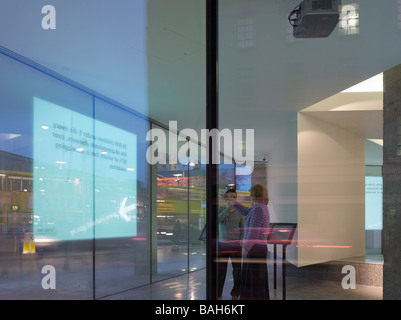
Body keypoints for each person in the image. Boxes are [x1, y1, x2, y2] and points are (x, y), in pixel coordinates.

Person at [222, 184, 270, 300]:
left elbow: (254, 231)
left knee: (253, 279)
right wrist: (231, 200)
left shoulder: (259, 209)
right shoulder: (260, 207)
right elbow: (244, 211)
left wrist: (246, 248)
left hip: (255, 249)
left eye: (251, 194)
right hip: (258, 248)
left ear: (255, 194)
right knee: (256, 279)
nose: (250, 196)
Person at [217, 189, 245, 300]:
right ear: (226, 198)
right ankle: (218, 294)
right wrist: (228, 209)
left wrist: (242, 243)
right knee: (220, 272)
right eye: (230, 197)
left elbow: (243, 229)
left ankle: (235, 294)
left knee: (238, 272)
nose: (233, 199)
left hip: (236, 246)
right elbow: (217, 220)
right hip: (222, 245)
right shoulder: (221, 209)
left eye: (234, 197)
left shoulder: (240, 212)